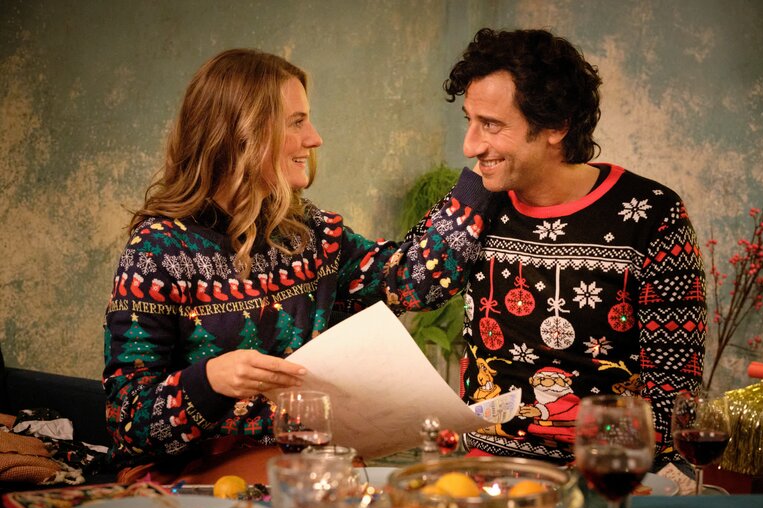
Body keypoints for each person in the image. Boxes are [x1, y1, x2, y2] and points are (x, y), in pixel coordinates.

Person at [102, 48, 494, 477]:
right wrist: (210, 380)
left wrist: (483, 175)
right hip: (190, 480)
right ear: (241, 133)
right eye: (296, 122)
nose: (314, 138)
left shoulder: (311, 234)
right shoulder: (157, 253)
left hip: (302, 468)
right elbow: (127, 423)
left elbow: (415, 280)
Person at [424, 28, 706, 468]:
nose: (470, 145)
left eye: (492, 125)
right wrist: (467, 198)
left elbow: (674, 389)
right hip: (483, 472)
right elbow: (418, 288)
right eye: (470, 120)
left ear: (556, 125)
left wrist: (589, 476)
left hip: (605, 475)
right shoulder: (479, 200)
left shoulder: (651, 214)